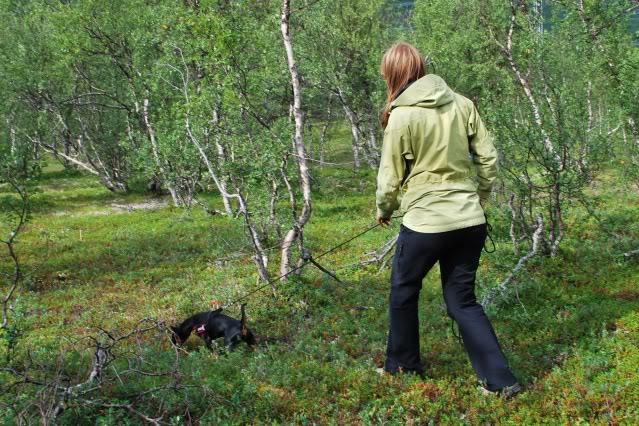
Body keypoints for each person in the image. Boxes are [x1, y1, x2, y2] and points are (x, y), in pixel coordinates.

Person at [376, 42, 521, 397]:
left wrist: (385, 210)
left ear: (392, 74)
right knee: (462, 301)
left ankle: (402, 367)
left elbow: (388, 179)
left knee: (403, 291)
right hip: (470, 220)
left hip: (426, 224)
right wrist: (479, 199)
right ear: (422, 66)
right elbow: (488, 159)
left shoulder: (400, 115)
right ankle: (501, 382)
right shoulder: (463, 103)